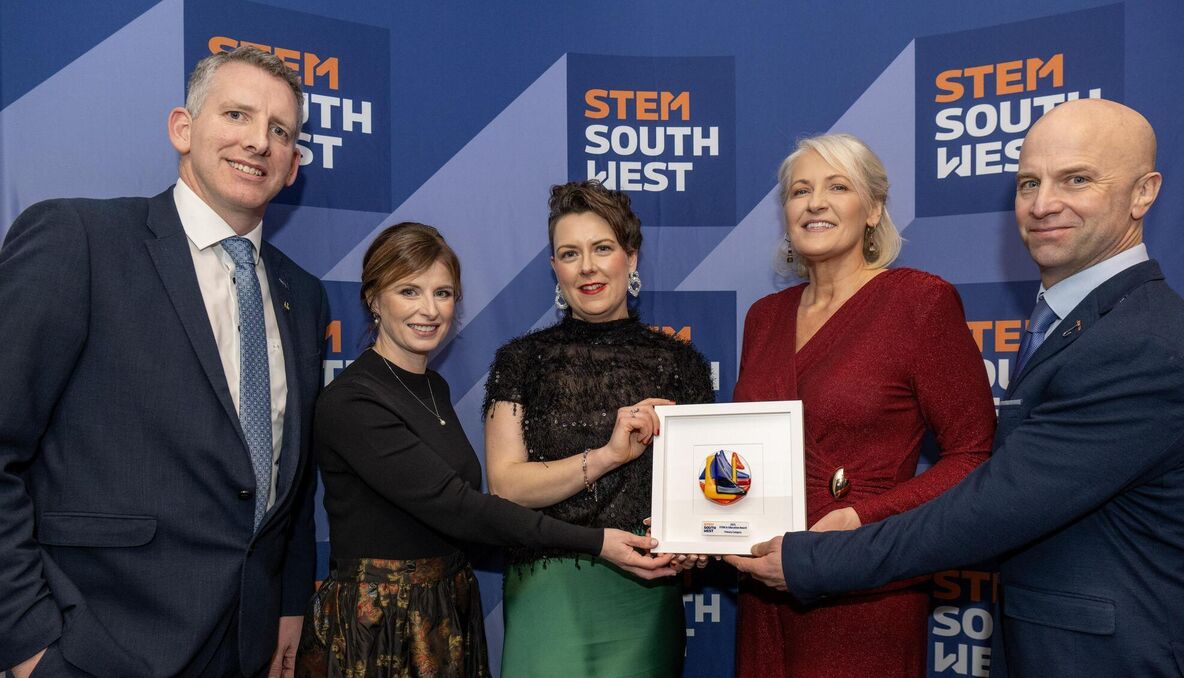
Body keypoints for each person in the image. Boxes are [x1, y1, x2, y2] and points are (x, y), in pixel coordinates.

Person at [729, 99, 1184, 677]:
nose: (1043, 204)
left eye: (1076, 179)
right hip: (775, 570)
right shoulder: (1069, 320)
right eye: (1029, 184)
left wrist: (840, 537)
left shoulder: (1139, 343)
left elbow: (990, 489)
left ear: (1143, 192)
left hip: (869, 582)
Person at [0, 47, 326, 677]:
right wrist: (29, 644)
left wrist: (288, 602)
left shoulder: (303, 295)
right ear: (183, 127)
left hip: (244, 646)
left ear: (292, 167)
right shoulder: (79, 240)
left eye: (281, 131)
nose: (258, 141)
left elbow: (293, 475)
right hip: (96, 645)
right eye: (236, 115)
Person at [296, 222, 674, 677]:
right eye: (409, 291)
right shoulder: (352, 401)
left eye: (443, 293)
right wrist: (596, 541)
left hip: (445, 609)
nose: (429, 309)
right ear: (374, 299)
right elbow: (460, 508)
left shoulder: (431, 386)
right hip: (378, 628)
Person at [730, 133, 995, 677]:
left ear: (873, 209)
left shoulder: (919, 302)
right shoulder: (764, 316)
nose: (815, 203)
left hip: (864, 577)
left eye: (837, 187)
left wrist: (861, 518)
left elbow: (973, 456)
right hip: (765, 581)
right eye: (800, 191)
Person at [483, 180, 715, 677]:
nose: (587, 266)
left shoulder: (681, 365)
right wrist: (609, 455)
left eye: (602, 248)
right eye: (570, 253)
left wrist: (696, 540)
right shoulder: (519, 361)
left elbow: (704, 495)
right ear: (555, 267)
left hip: (645, 590)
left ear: (631, 257)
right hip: (547, 592)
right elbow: (506, 486)